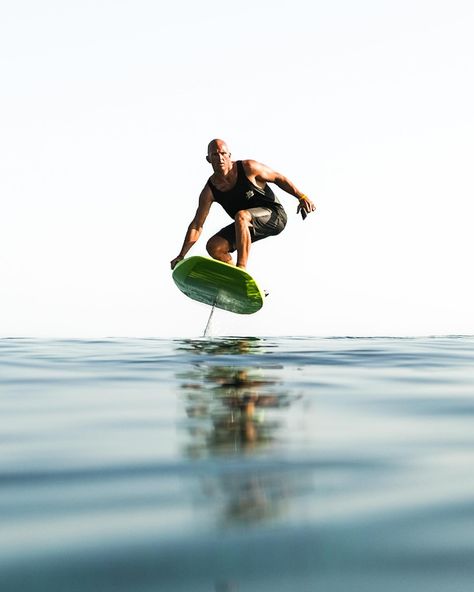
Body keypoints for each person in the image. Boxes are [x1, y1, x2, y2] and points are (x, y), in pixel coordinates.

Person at [170, 139, 315, 270]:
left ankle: (241, 269)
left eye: (223, 153)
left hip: (275, 216)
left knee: (241, 216)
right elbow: (197, 225)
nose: (220, 158)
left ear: (229, 155)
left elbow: (278, 178)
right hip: (245, 225)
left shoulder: (248, 168)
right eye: (215, 155)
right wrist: (181, 255)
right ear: (208, 159)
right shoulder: (209, 191)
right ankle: (237, 279)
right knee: (214, 246)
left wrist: (301, 196)